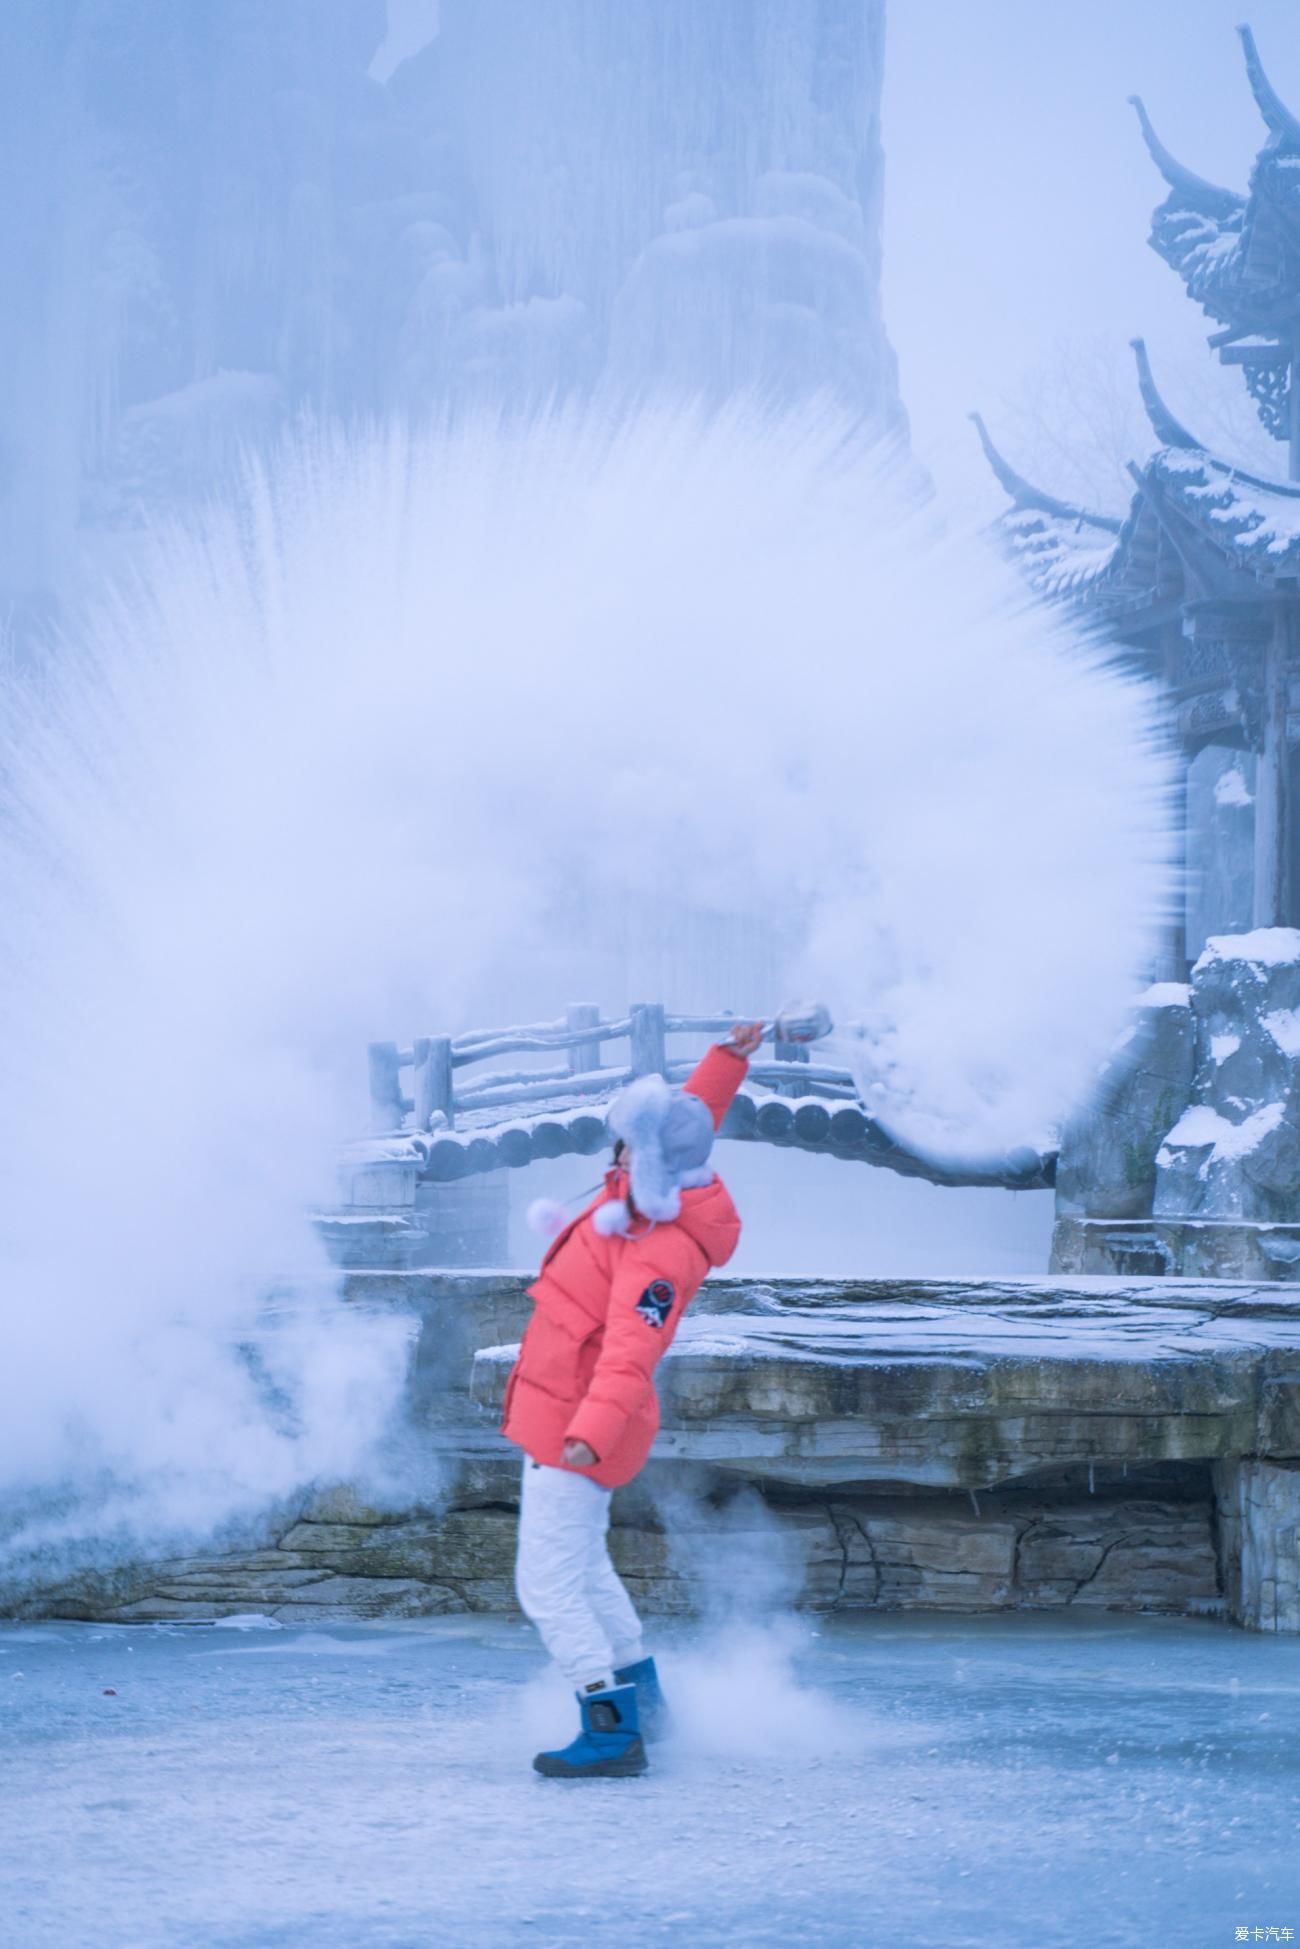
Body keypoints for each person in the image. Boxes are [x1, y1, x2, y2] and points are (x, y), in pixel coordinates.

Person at [502, 1019, 765, 1778]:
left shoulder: (657, 1247)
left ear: (645, 1158)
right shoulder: (656, 1189)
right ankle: (648, 1709)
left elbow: (631, 1351)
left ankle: (612, 1730)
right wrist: (728, 1060)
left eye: (625, 1143)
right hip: (562, 1410)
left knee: (548, 1587)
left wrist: (587, 1433)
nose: (613, 1152)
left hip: (577, 1426)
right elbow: (689, 1117)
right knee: (584, 1570)